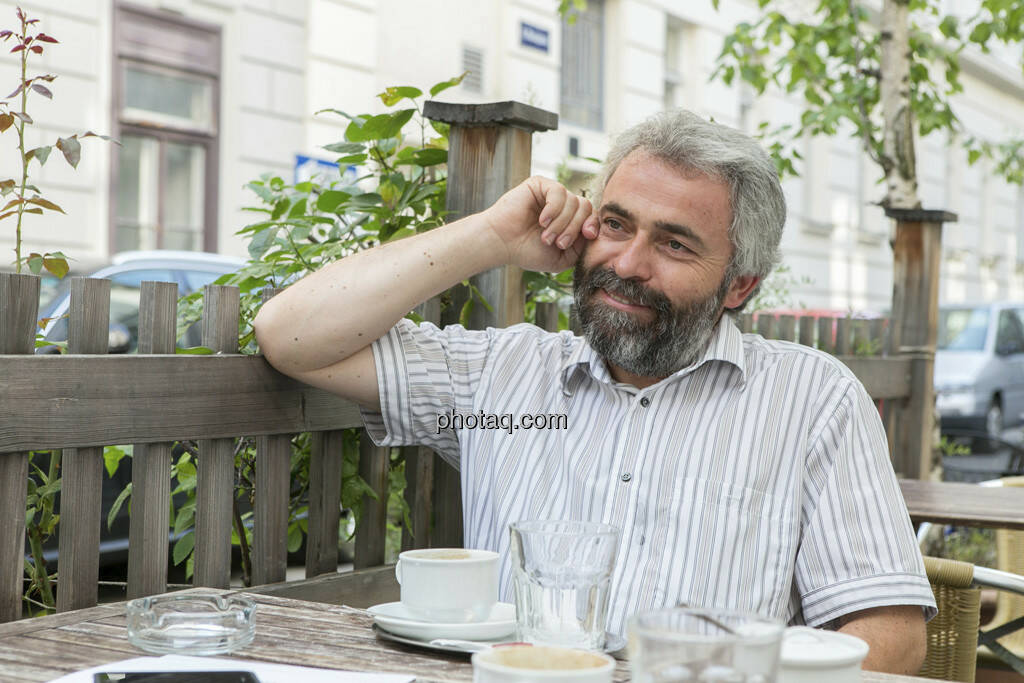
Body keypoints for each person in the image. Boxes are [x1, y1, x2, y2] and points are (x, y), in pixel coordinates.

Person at [254, 110, 935, 673]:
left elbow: (889, 629)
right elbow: (291, 334)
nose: (626, 265)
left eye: (673, 244)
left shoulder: (812, 401)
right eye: (615, 224)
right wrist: (491, 235)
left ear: (740, 285)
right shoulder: (501, 376)